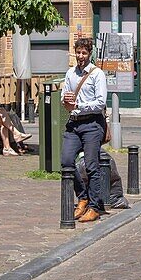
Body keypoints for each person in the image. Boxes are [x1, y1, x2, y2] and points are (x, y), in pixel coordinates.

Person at [60, 37, 108, 223]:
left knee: (91, 166)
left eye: (84, 53)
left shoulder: (97, 74)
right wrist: (65, 102)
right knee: (66, 161)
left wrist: (78, 105)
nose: (80, 56)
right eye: (78, 52)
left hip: (92, 124)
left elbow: (100, 102)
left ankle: (95, 207)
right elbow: (64, 96)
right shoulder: (70, 73)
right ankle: (82, 197)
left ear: (90, 54)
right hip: (74, 123)